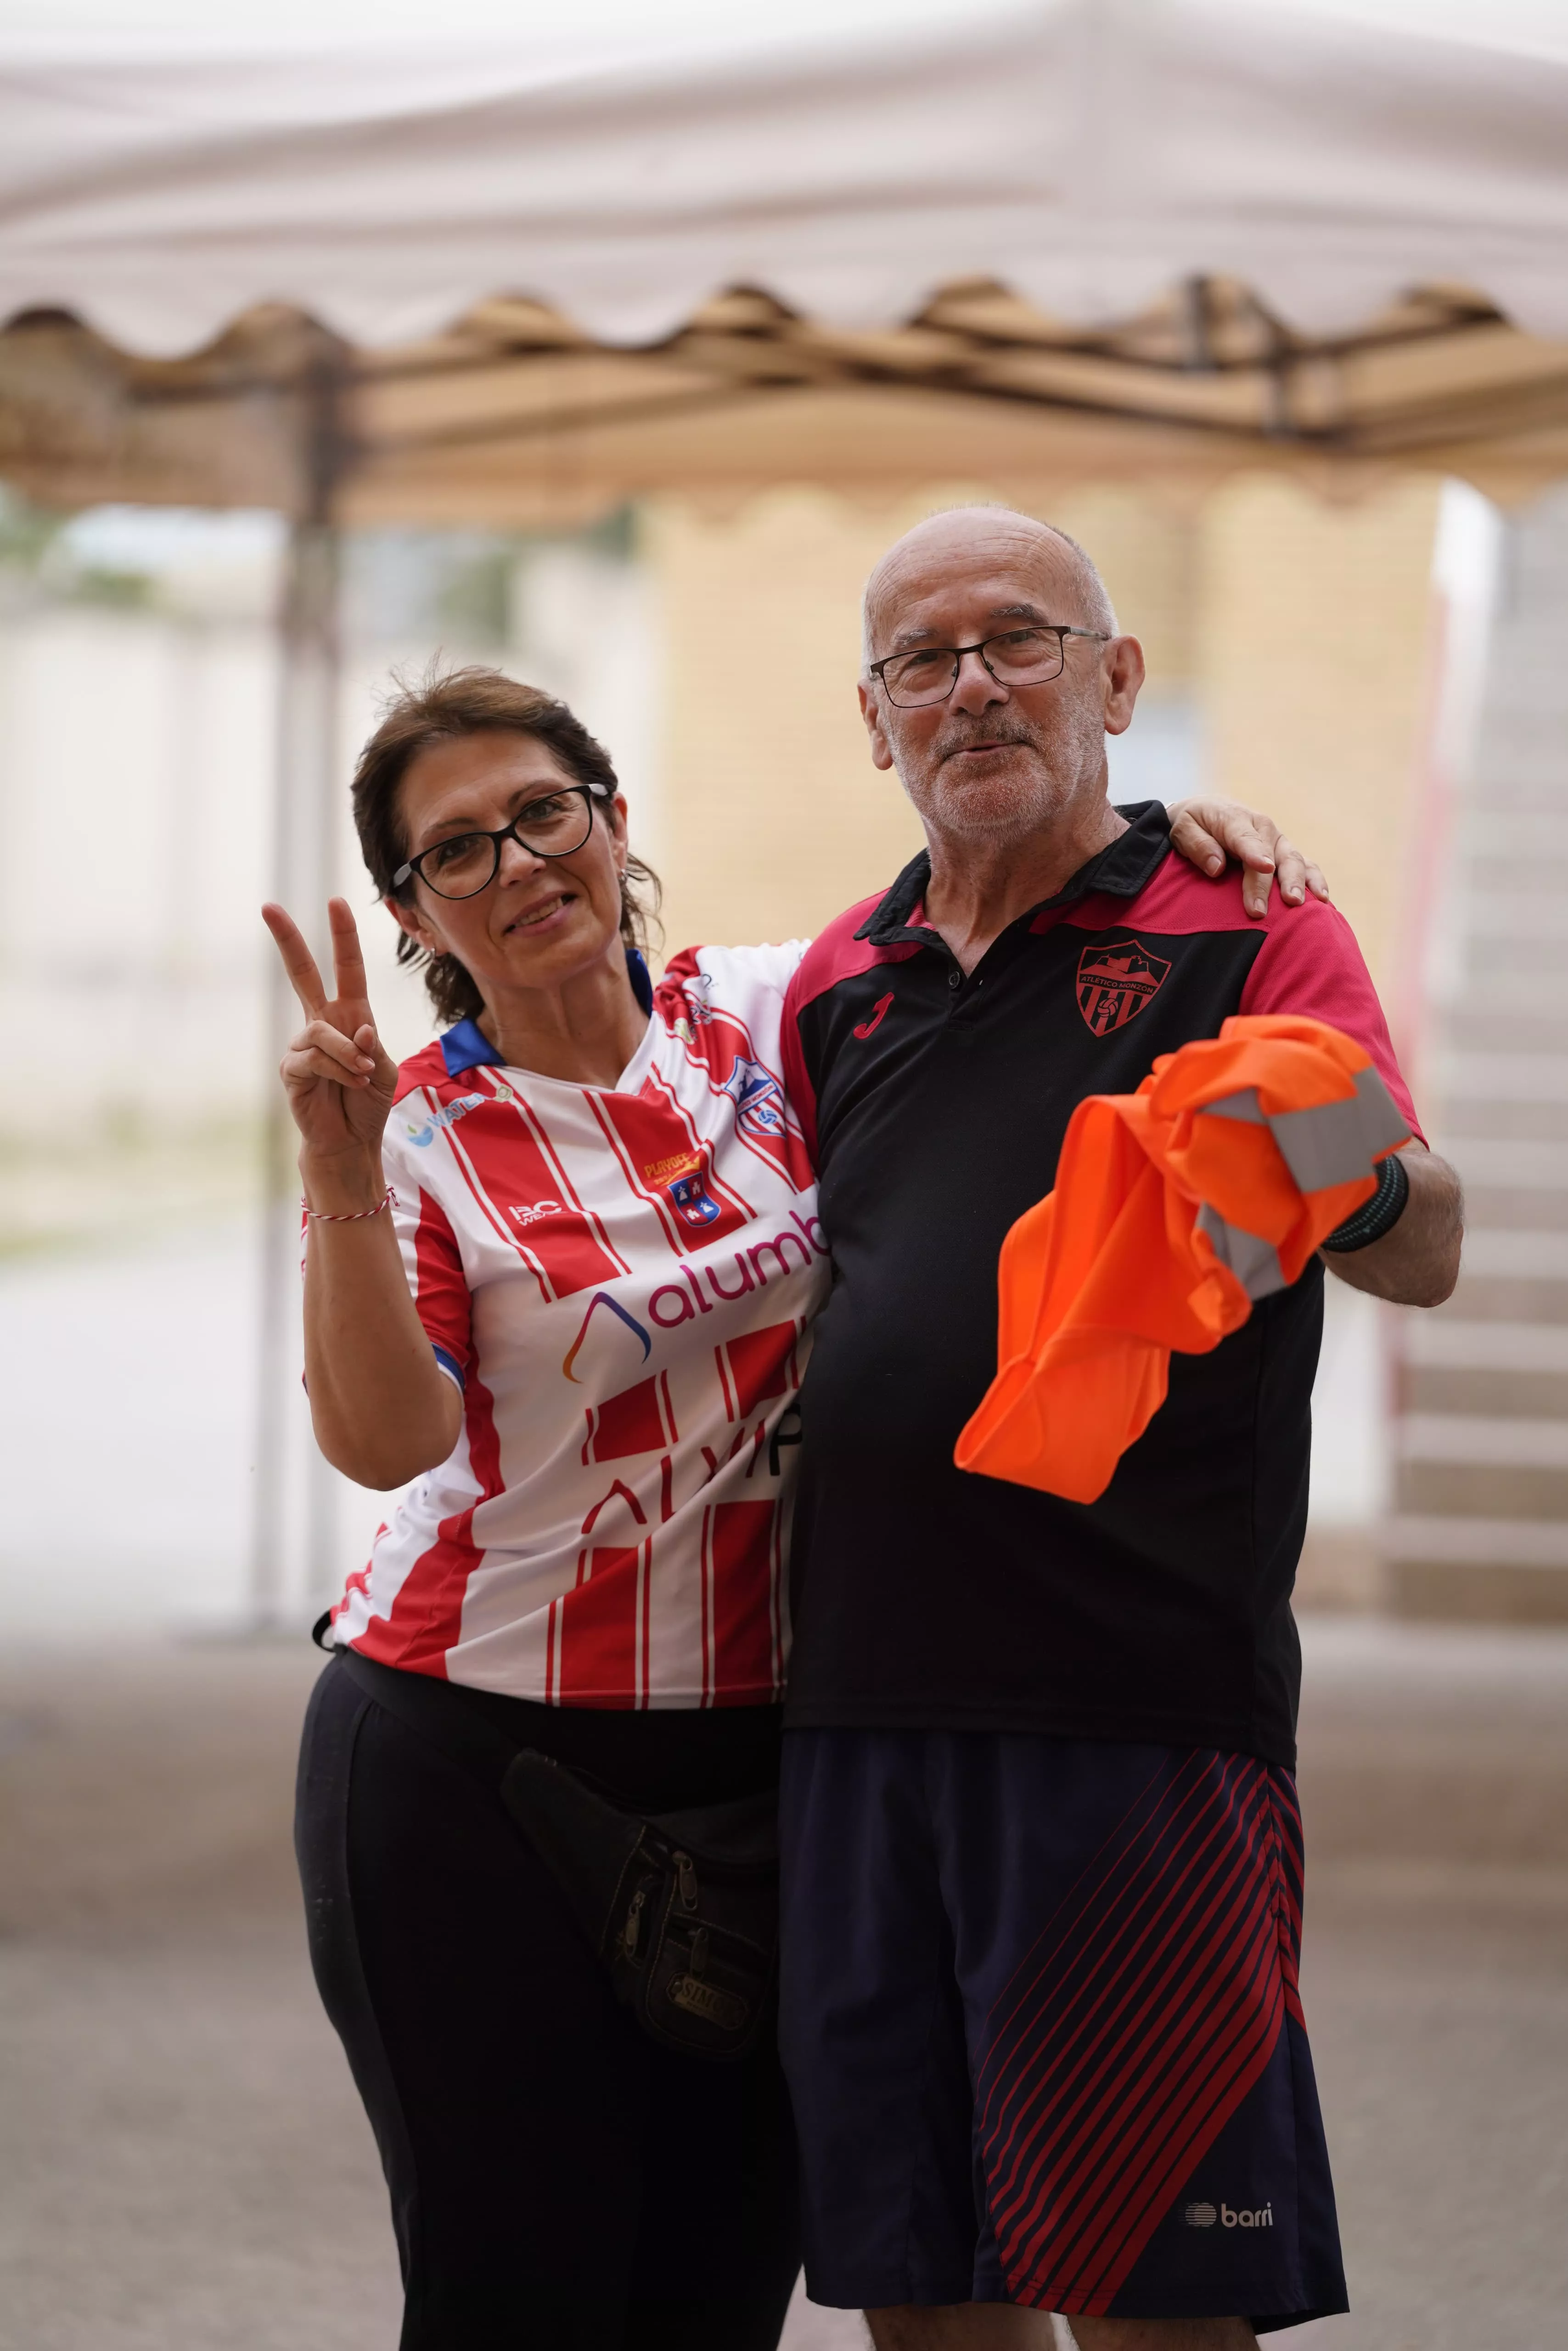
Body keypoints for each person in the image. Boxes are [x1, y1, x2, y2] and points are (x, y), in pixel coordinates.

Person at [267, 662, 1332, 2350]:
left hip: (760, 1764)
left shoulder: (780, 1011)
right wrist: (332, 1177)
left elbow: (1004, 921)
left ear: (614, 824)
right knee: (515, 2292)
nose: (518, 863)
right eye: (454, 850)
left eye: (543, 812)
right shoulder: (418, 1139)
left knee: (715, 2292)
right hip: (463, 1756)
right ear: (414, 910)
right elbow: (387, 1444)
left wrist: (1189, 843)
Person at [774, 508, 1464, 2351]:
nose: (974, 683)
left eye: (1020, 637)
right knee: (920, 2291)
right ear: (874, 715)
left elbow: (1426, 1242)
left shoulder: (1249, 924)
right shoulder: (835, 978)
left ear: (1117, 677)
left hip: (1132, 1721)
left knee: (1153, 2304)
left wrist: (1303, 1146)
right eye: (925, 657)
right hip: (854, 1721)